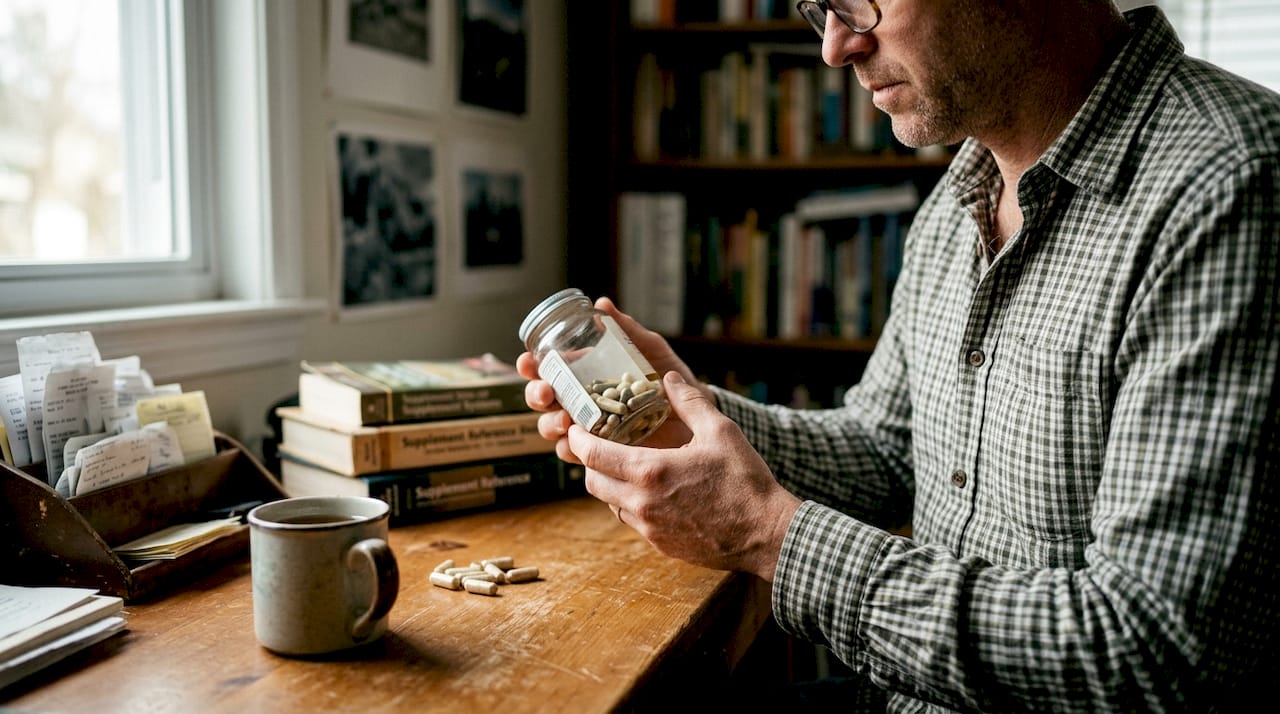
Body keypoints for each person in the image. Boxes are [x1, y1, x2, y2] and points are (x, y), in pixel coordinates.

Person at [518, 1, 1279, 711]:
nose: (835, 45)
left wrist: (769, 538)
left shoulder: (1233, 184)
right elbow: (885, 452)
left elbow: (1151, 648)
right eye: (822, 7)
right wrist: (679, 406)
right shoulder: (964, 192)